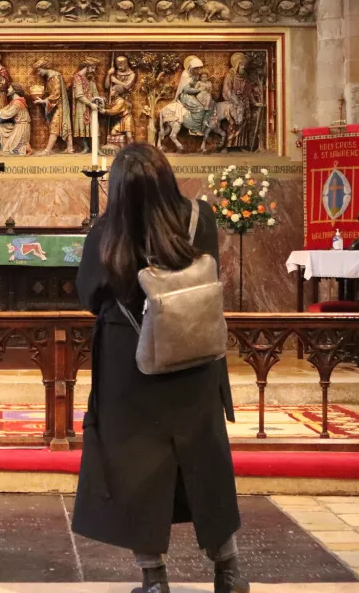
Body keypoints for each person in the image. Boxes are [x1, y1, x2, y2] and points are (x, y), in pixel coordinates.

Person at [72, 143, 247, 593]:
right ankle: (229, 572)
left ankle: (154, 580)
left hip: (132, 369)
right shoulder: (199, 217)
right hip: (194, 362)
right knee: (205, 462)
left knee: (136, 471)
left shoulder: (106, 233)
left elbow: (91, 295)